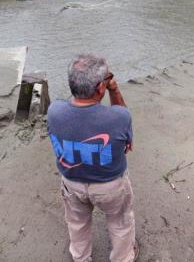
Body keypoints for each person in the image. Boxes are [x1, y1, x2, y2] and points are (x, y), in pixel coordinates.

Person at [47, 54, 137, 262]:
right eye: (107, 79)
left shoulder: (54, 111)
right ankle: (122, 258)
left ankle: (80, 257)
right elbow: (126, 134)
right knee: (120, 222)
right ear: (100, 88)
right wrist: (115, 89)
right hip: (110, 186)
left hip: (72, 183)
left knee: (77, 223)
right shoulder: (118, 118)